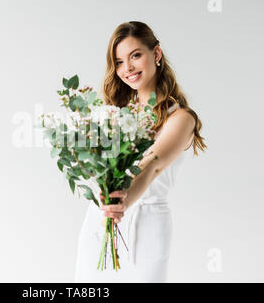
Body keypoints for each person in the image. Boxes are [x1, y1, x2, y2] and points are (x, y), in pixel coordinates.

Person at [73, 21, 207, 282]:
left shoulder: (180, 118)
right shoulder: (114, 112)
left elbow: (151, 166)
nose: (128, 68)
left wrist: (122, 199)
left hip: (146, 226)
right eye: (119, 61)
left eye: (135, 55)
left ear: (156, 54)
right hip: (101, 220)